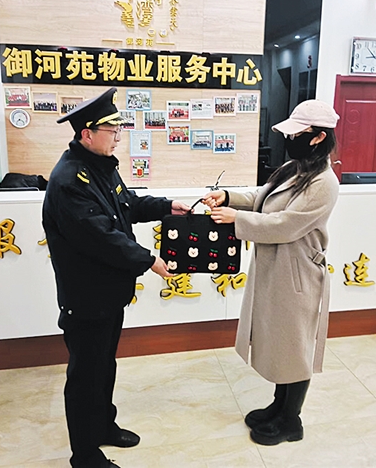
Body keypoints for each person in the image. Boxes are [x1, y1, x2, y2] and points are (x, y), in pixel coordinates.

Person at [42, 87, 190, 468]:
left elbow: (128, 205)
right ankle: (85, 455)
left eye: (119, 130)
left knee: (105, 367)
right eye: (112, 131)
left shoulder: (102, 167)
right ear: (87, 134)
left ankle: (103, 427)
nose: (119, 137)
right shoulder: (69, 181)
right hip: (86, 299)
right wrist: (150, 260)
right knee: (85, 377)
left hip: (109, 295)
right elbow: (102, 238)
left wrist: (167, 206)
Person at [203, 99, 340, 446]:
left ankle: (291, 421)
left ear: (318, 137)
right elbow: (263, 197)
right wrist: (228, 196)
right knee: (281, 343)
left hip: (297, 274)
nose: (289, 140)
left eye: (297, 134)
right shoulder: (297, 169)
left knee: (294, 347)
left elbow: (285, 224)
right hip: (278, 268)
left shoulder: (324, 181)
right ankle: (279, 407)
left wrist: (236, 219)